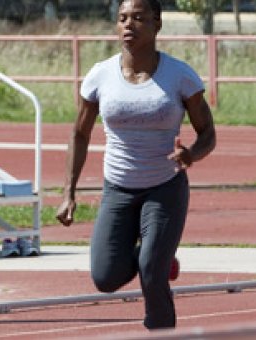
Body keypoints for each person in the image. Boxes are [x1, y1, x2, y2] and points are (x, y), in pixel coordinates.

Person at [56, 0, 216, 330]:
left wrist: (192, 154)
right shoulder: (101, 75)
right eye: (122, 18)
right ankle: (158, 256)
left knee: (151, 273)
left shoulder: (179, 76)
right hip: (118, 188)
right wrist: (68, 192)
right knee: (105, 277)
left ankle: (159, 317)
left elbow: (208, 133)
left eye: (139, 18)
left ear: (157, 25)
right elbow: (79, 134)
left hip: (164, 188)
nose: (128, 25)